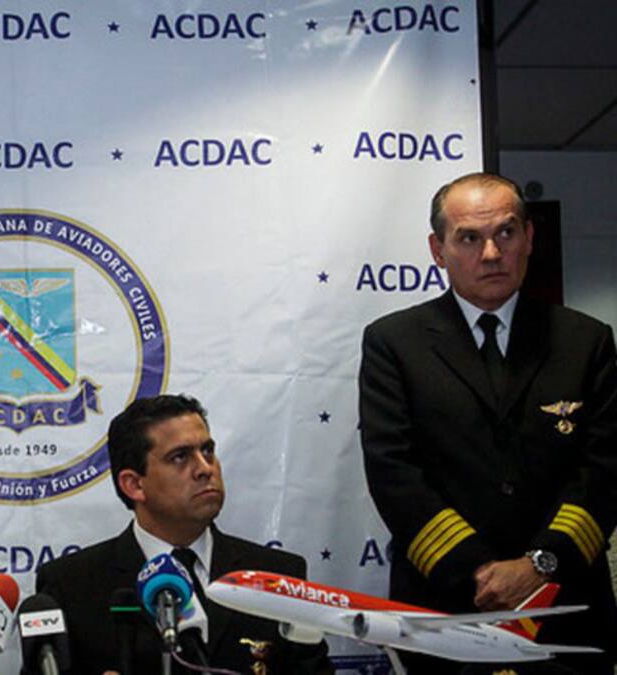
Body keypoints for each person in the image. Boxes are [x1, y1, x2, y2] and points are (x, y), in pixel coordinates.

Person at [359, 172, 617, 673]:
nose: (492, 253)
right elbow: (394, 473)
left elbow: (604, 471)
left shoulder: (585, 341)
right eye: (469, 238)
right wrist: (479, 570)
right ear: (438, 250)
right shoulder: (395, 344)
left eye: (506, 232)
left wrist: (539, 565)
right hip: (444, 608)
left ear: (529, 237)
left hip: (565, 610)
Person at [35, 394, 333, 674]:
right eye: (180, 457)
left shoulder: (278, 575)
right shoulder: (71, 586)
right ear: (134, 485)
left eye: (208, 451)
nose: (205, 469)